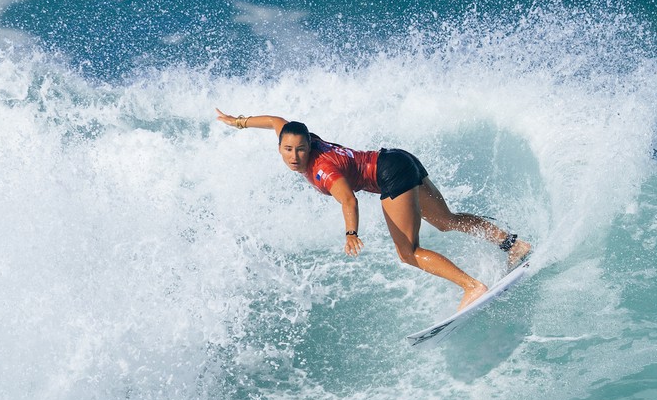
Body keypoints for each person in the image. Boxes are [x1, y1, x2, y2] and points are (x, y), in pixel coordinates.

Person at [215, 108, 532, 311]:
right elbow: (275, 121)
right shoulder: (299, 134)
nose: (295, 156)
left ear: (308, 147)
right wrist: (239, 122)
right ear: (281, 145)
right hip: (399, 158)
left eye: (300, 150)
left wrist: (351, 232)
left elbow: (348, 199)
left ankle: (472, 287)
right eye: (288, 149)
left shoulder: (322, 170)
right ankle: (513, 244)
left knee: (408, 252)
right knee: (445, 220)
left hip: (389, 175)